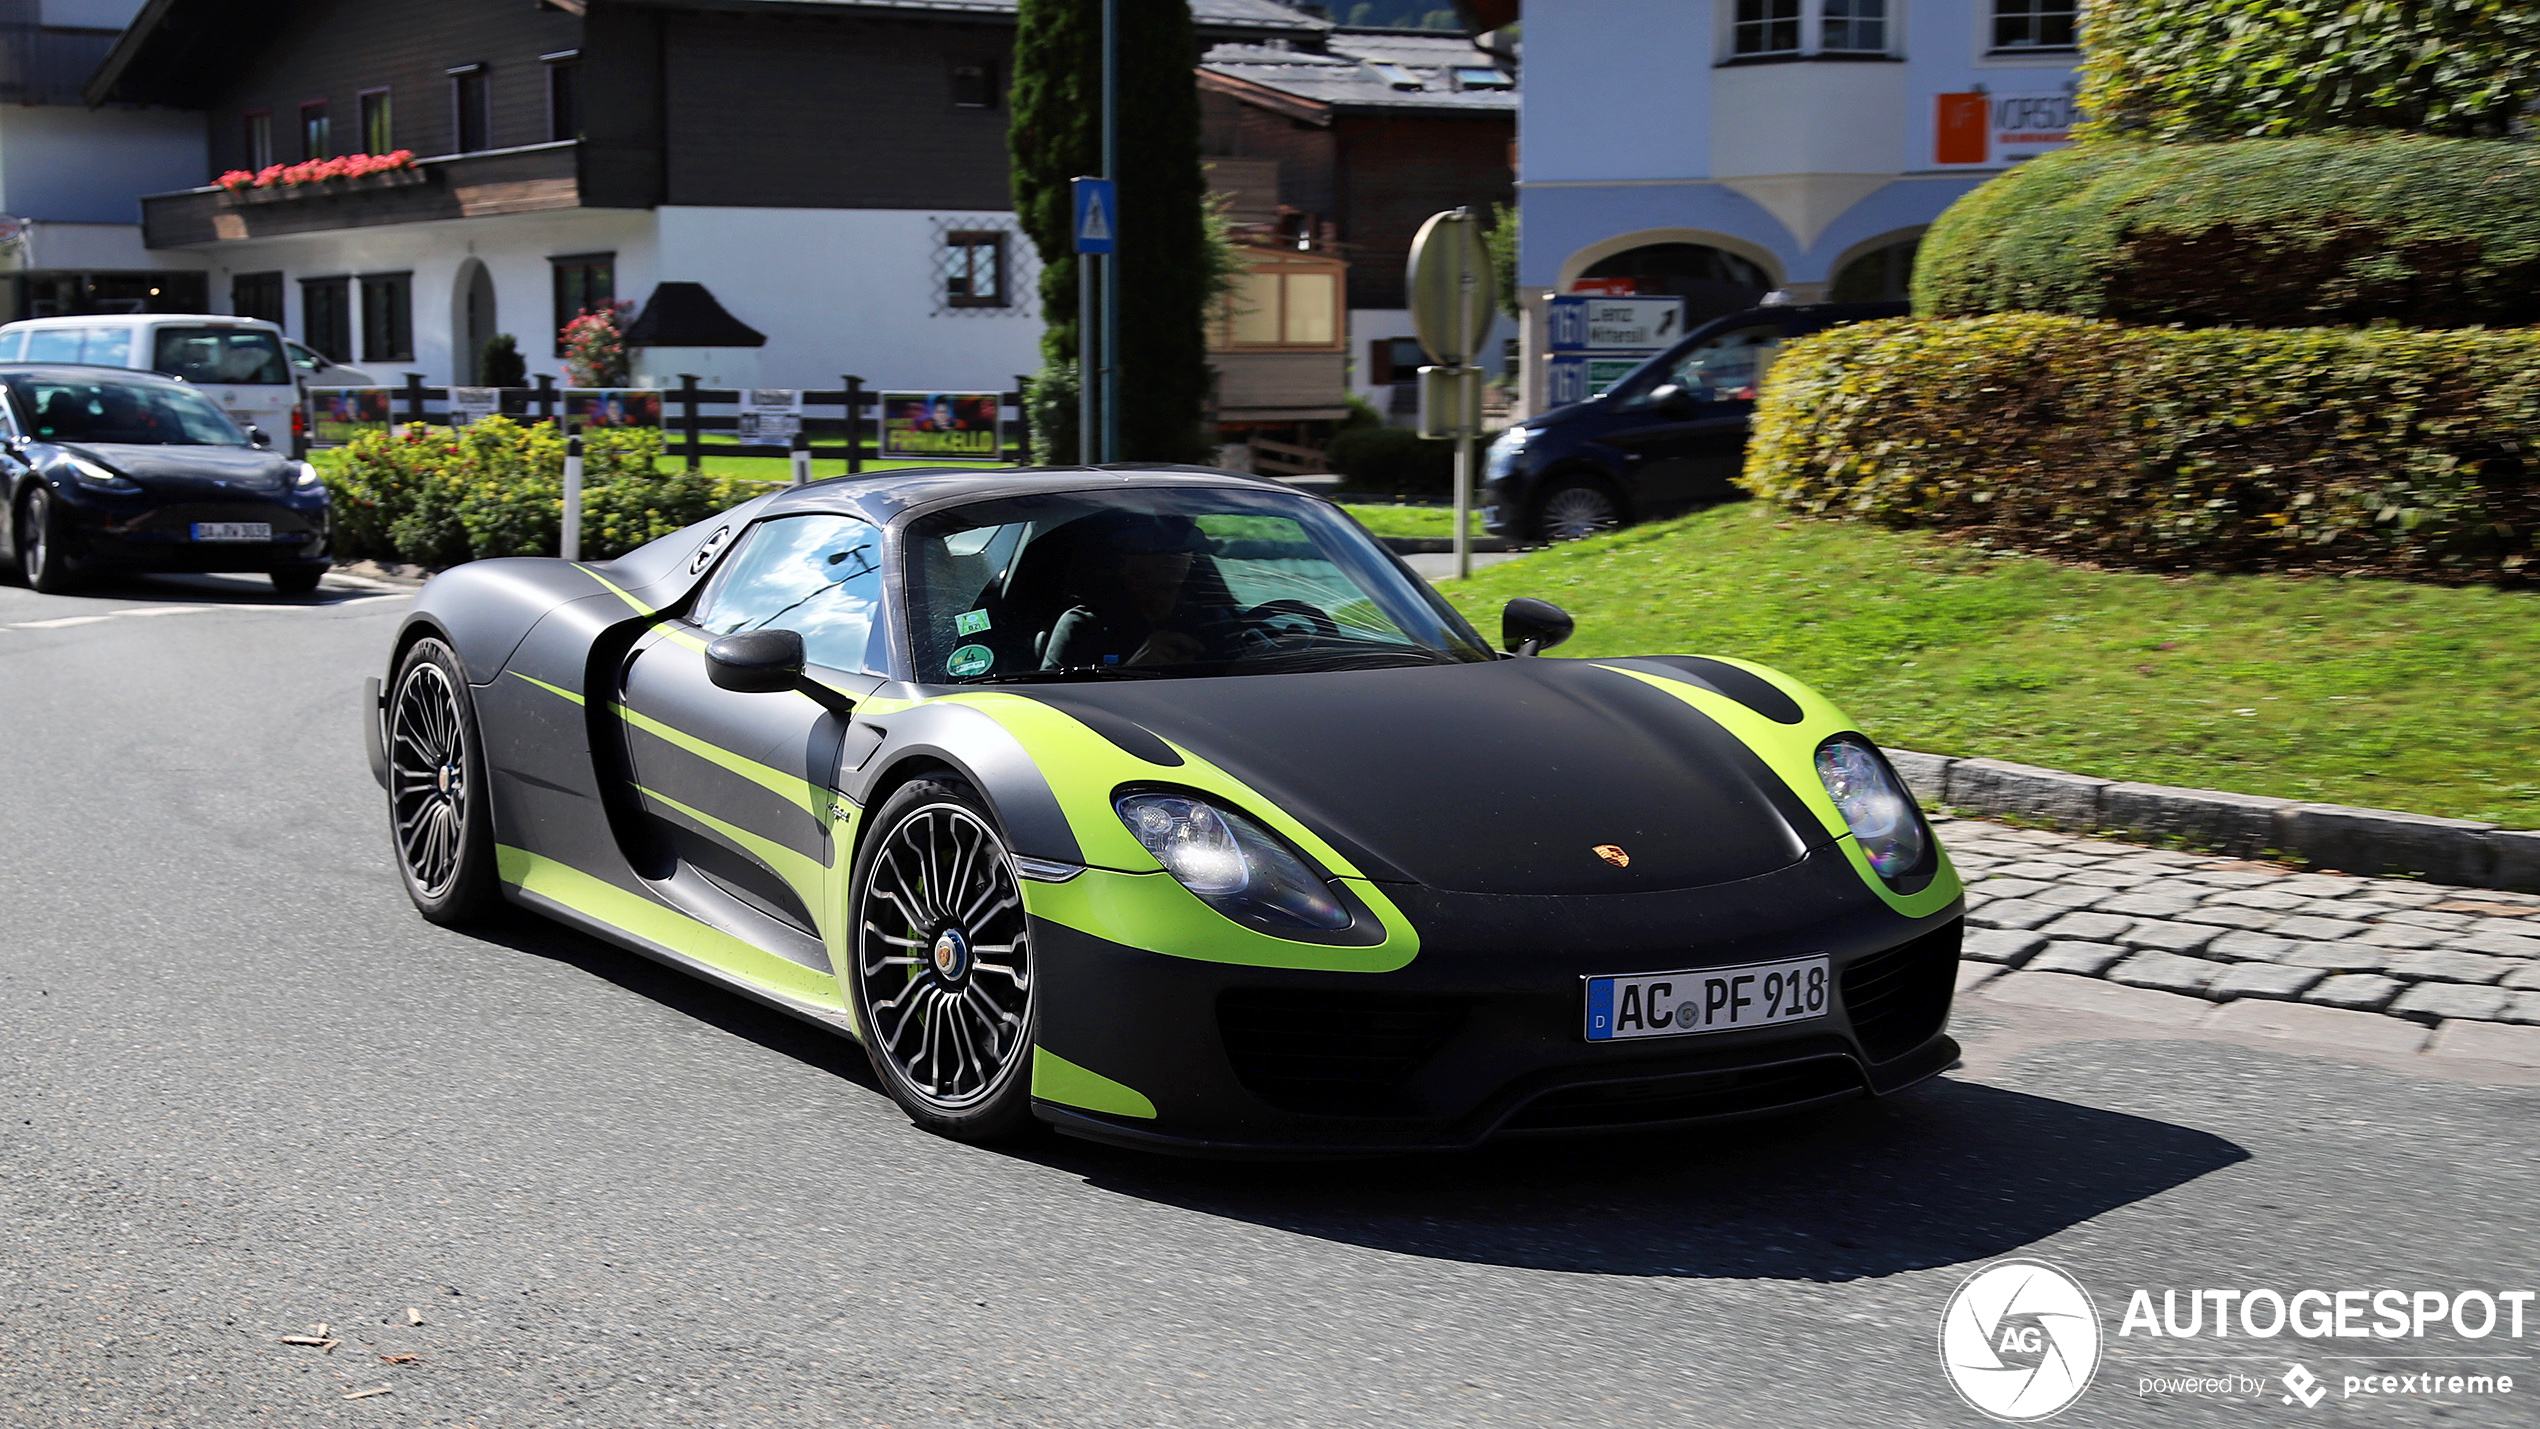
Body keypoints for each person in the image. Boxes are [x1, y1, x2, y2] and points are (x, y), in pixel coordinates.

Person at [1040, 513, 1234, 670]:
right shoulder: (1083, 626)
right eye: (1156, 543)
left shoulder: (1212, 618)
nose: (1175, 551)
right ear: (1125, 558)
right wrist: (1133, 668)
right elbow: (1047, 709)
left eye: (1183, 540)